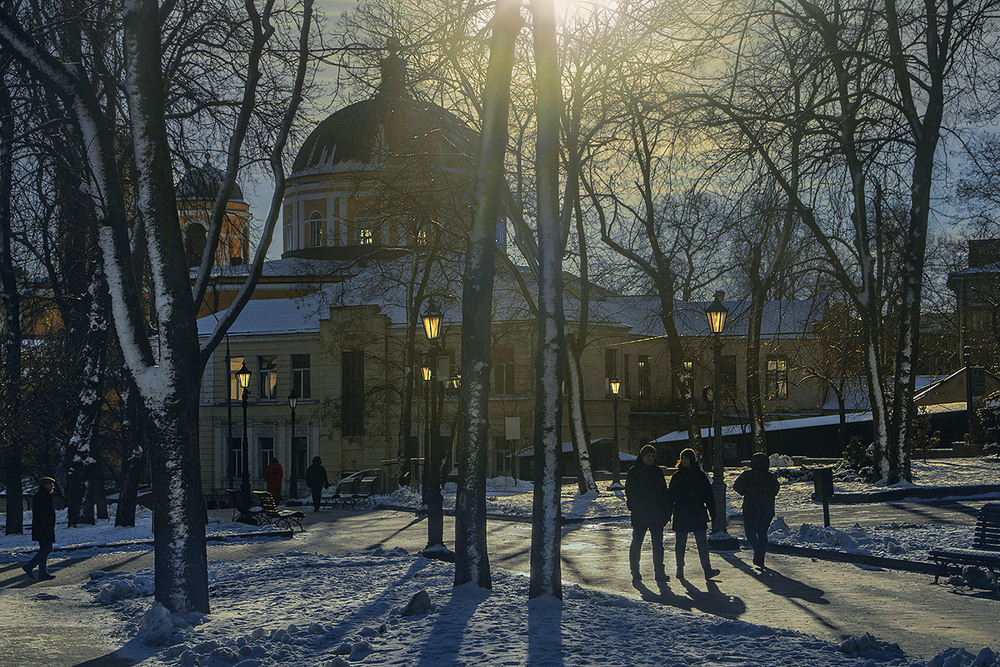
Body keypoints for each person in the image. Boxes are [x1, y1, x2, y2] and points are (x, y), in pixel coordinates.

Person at [668, 448, 720, 580]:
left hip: (697, 512)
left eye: (686, 458)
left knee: (702, 542)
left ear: (692, 460)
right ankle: (680, 568)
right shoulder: (677, 477)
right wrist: (668, 512)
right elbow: (670, 496)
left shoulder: (700, 476)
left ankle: (707, 569)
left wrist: (712, 510)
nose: (684, 461)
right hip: (682, 512)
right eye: (683, 458)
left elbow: (708, 495)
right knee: (680, 543)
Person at [625, 444, 671, 586]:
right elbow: (630, 493)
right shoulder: (634, 472)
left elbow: (663, 492)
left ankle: (659, 572)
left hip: (656, 514)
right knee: (637, 543)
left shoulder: (657, 472)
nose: (650, 458)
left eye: (652, 456)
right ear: (642, 457)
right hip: (640, 515)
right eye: (648, 456)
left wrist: (666, 512)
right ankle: (635, 570)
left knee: (658, 545)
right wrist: (637, 508)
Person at [733, 452, 781, 569]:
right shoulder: (770, 477)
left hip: (751, 508)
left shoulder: (748, 475)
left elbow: (737, 487)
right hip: (767, 509)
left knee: (750, 532)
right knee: (762, 532)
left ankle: (757, 549)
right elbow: (775, 491)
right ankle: (761, 555)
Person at [22, 477, 57, 581]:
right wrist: (48, 524)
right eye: (51, 484)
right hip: (44, 527)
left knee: (44, 549)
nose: (52, 486)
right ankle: (29, 566)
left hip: (43, 527)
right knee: (46, 549)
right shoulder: (43, 496)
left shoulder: (42, 495)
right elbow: (45, 513)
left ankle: (42, 573)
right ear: (45, 485)